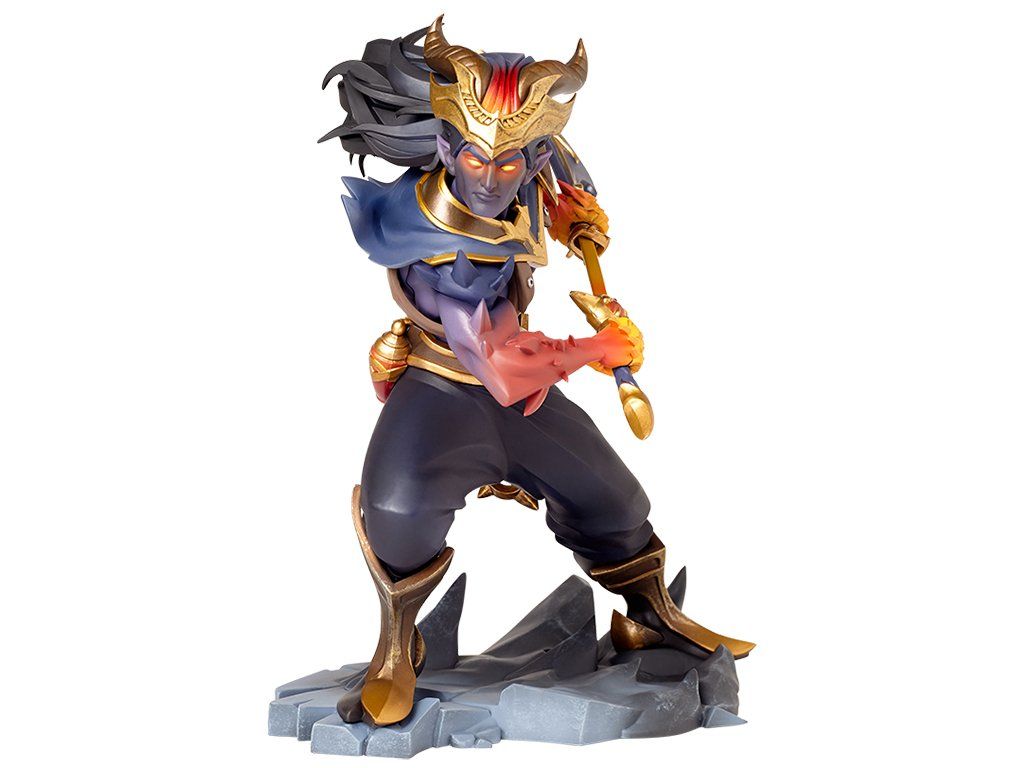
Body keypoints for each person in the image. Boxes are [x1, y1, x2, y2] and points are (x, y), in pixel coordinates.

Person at [320, 16, 753, 727]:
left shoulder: (521, 162)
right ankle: (398, 645)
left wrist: (580, 219)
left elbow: (560, 175)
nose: (491, 180)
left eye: (511, 163)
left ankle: (651, 617)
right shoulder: (445, 244)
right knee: (397, 516)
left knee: (613, 499)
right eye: (476, 161)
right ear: (446, 148)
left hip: (518, 395)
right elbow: (498, 365)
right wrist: (599, 350)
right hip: (445, 392)